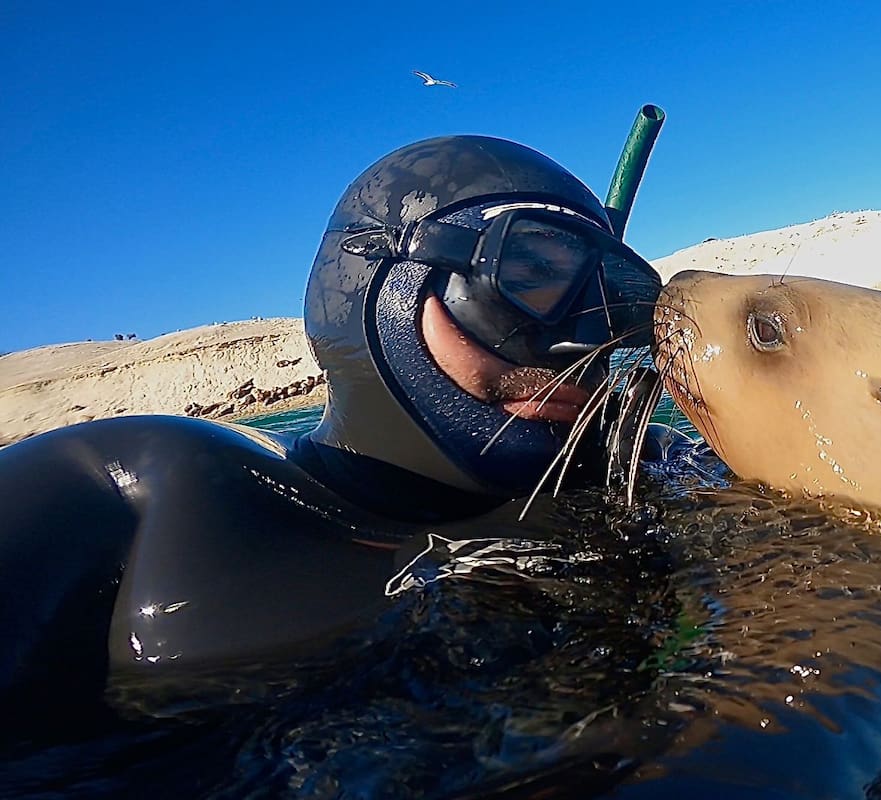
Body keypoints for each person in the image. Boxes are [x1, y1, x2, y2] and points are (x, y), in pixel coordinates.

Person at [0, 135, 664, 726]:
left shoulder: (641, 473)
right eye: (530, 273)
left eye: (618, 299)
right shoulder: (141, 488)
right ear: (379, 279)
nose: (586, 339)